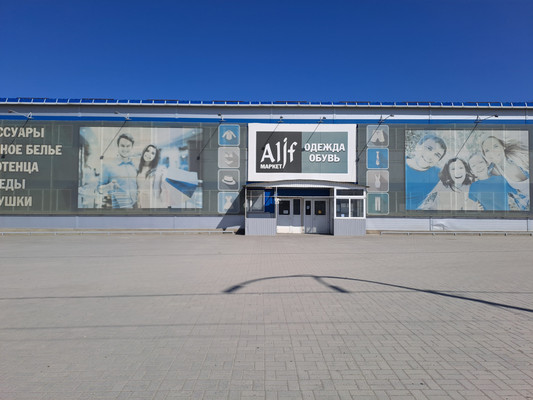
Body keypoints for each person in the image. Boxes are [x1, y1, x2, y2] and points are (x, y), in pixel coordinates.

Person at [481, 135, 529, 210]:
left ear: (503, 146)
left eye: (495, 146)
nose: (492, 151)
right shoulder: (493, 174)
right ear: (485, 156)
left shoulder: (519, 155)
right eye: (487, 150)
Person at [405, 134, 447, 210]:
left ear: (438, 160)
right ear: (417, 146)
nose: (430, 156)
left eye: (437, 155)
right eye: (429, 148)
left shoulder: (439, 174)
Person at [98, 133, 138, 208]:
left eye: (128, 146)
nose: (125, 149)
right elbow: (98, 189)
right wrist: (108, 187)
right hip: (119, 210)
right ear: (118, 146)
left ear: (132, 147)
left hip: (135, 207)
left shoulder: (134, 166)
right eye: (122, 146)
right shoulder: (108, 166)